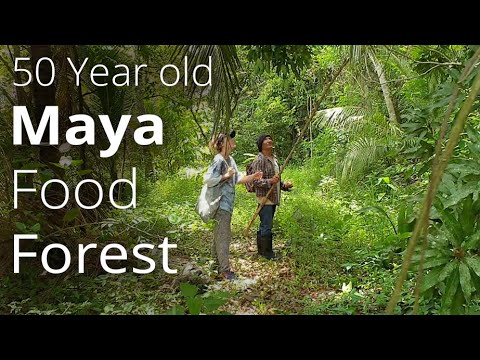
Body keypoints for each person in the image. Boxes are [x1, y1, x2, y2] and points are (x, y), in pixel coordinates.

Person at [203, 131, 263, 280]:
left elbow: (238, 178)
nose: (233, 140)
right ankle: (225, 270)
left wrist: (253, 177)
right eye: (229, 139)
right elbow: (208, 179)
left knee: (219, 234)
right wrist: (225, 176)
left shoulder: (230, 160)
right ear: (222, 144)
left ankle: (214, 266)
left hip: (227, 203)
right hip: (220, 203)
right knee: (224, 235)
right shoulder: (218, 160)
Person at [251, 134, 293, 259]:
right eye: (266, 139)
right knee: (266, 225)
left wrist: (284, 185)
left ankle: (261, 250)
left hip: (273, 196)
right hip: (265, 197)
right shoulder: (260, 160)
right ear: (261, 144)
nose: (269, 141)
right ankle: (267, 253)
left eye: (270, 139)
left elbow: (275, 178)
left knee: (265, 223)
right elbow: (256, 181)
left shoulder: (273, 159)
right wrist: (270, 181)